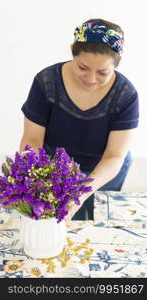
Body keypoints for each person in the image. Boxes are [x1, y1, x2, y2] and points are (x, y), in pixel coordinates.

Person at [19, 18, 139, 221]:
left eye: (103, 72)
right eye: (82, 67)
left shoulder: (126, 95)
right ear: (72, 51)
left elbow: (114, 155)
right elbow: (32, 140)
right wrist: (42, 178)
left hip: (104, 168)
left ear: (116, 63)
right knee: (56, 222)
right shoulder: (46, 82)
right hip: (52, 165)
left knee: (95, 223)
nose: (91, 79)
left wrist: (81, 193)